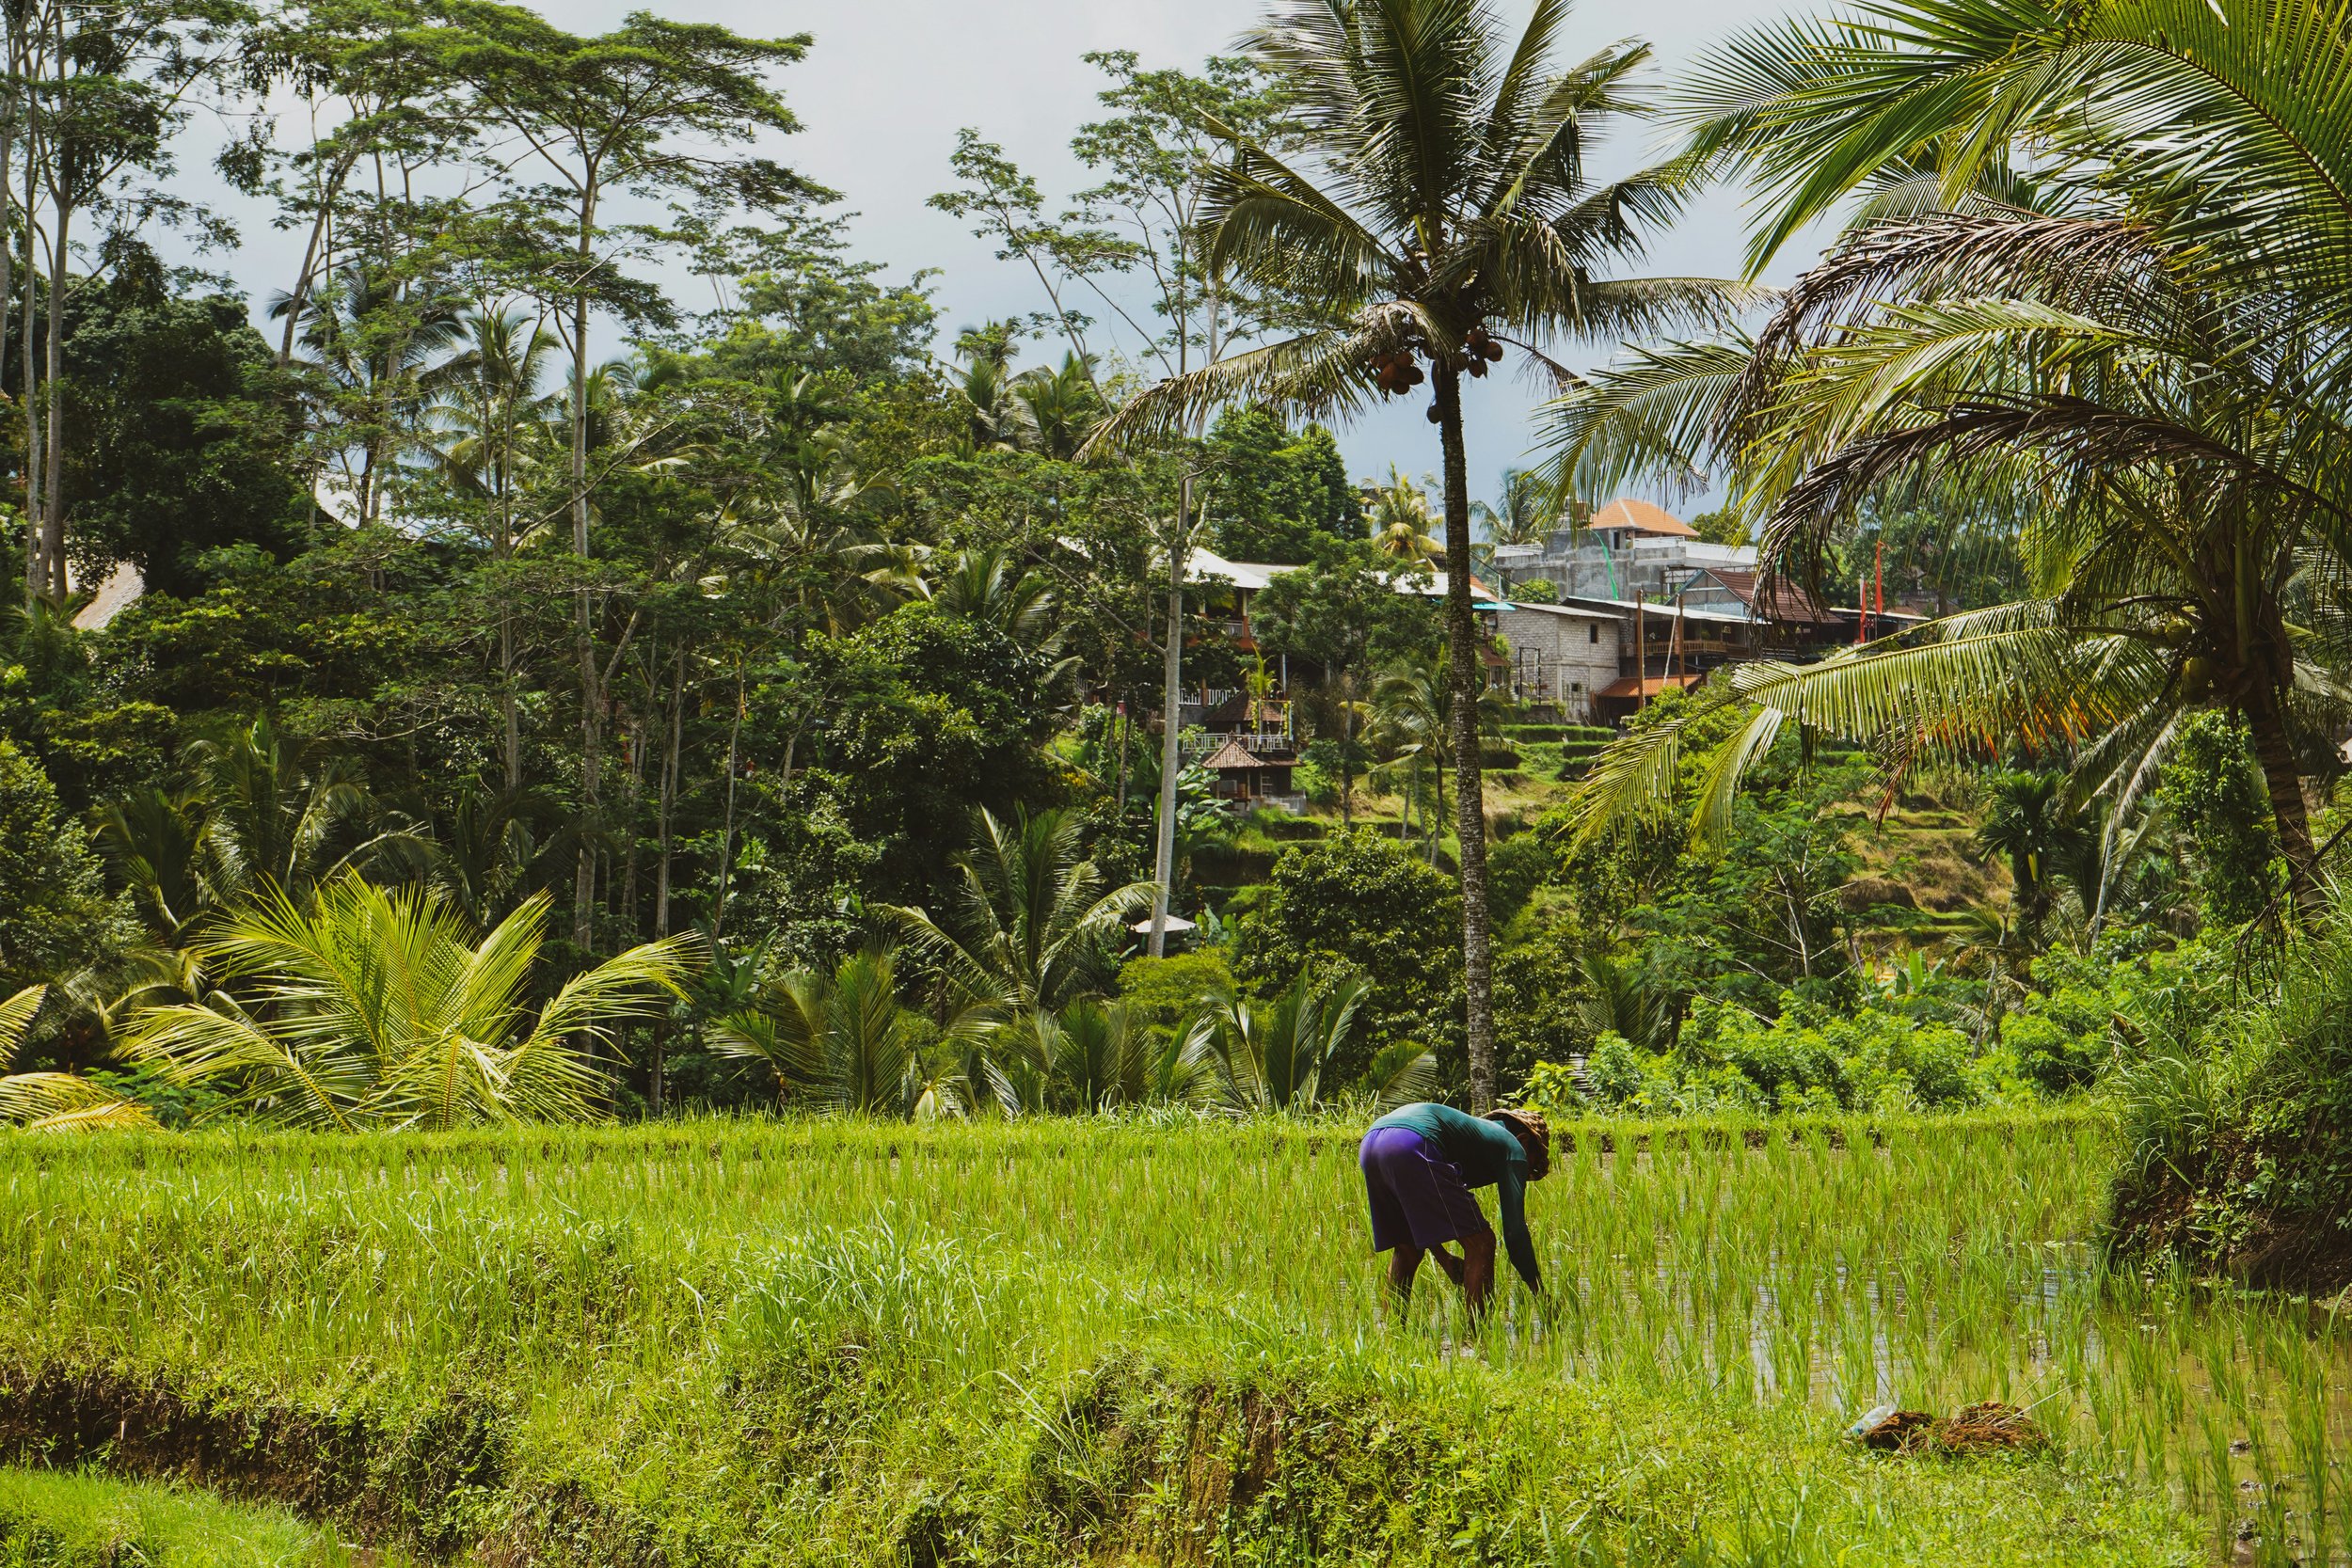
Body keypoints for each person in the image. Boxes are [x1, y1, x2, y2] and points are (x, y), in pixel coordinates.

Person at [1359, 1101, 1549, 1315]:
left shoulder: (1472, 1140)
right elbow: (1514, 1233)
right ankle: (1480, 1338)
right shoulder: (1513, 1147)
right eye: (1531, 1163)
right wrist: (1542, 1296)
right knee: (1481, 1242)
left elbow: (1418, 1216)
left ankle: (1393, 1337)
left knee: (1408, 1247)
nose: (1526, 1169)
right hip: (1414, 1141)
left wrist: (1444, 1258)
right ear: (1523, 1141)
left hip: (1371, 1142)